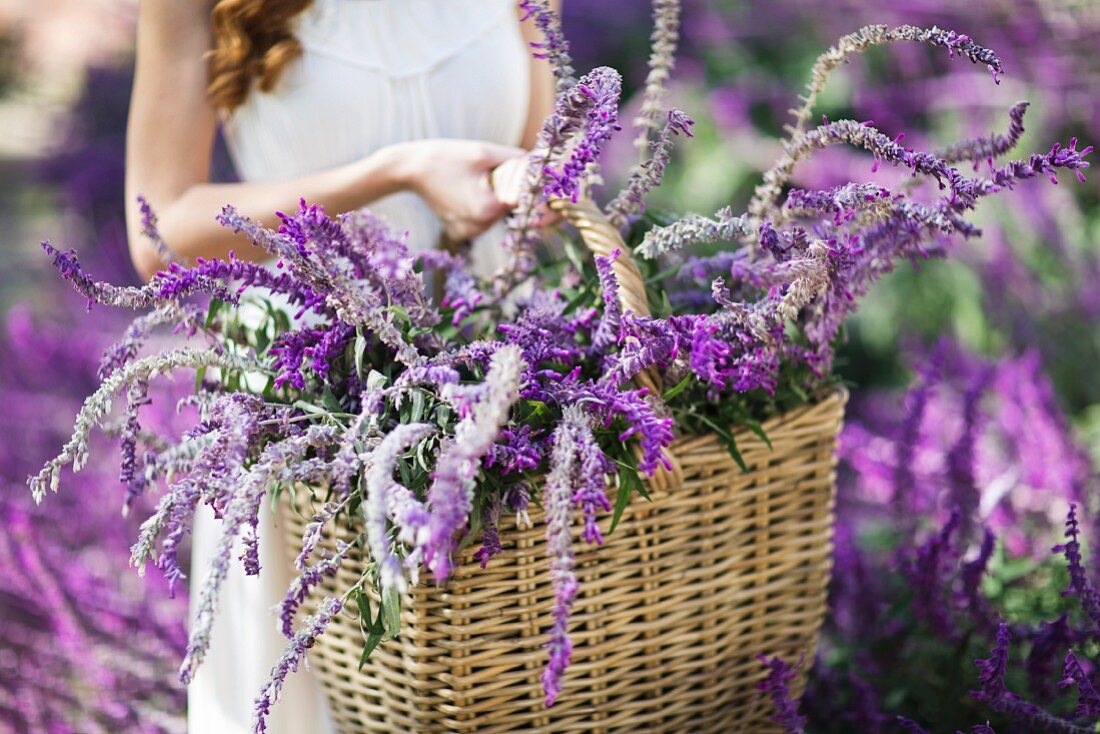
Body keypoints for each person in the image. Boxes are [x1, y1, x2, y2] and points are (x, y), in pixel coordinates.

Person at [124, 1, 557, 731]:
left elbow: (544, 139)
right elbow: (160, 227)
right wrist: (396, 172)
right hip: (311, 421)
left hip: (509, 398)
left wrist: (533, 186)